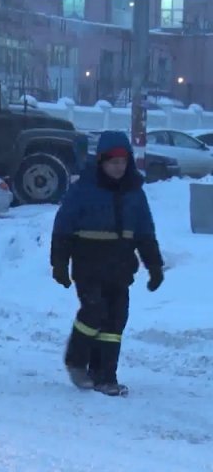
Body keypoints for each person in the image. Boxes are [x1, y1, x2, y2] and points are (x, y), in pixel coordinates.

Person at [50, 130, 164, 397]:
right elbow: (63, 228)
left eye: (123, 162)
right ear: (101, 161)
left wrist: (155, 266)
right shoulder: (83, 190)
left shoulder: (135, 193)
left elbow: (145, 233)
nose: (118, 167)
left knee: (115, 321)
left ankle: (105, 376)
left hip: (120, 268)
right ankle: (77, 361)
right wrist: (59, 263)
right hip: (88, 266)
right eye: (113, 162)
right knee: (94, 312)